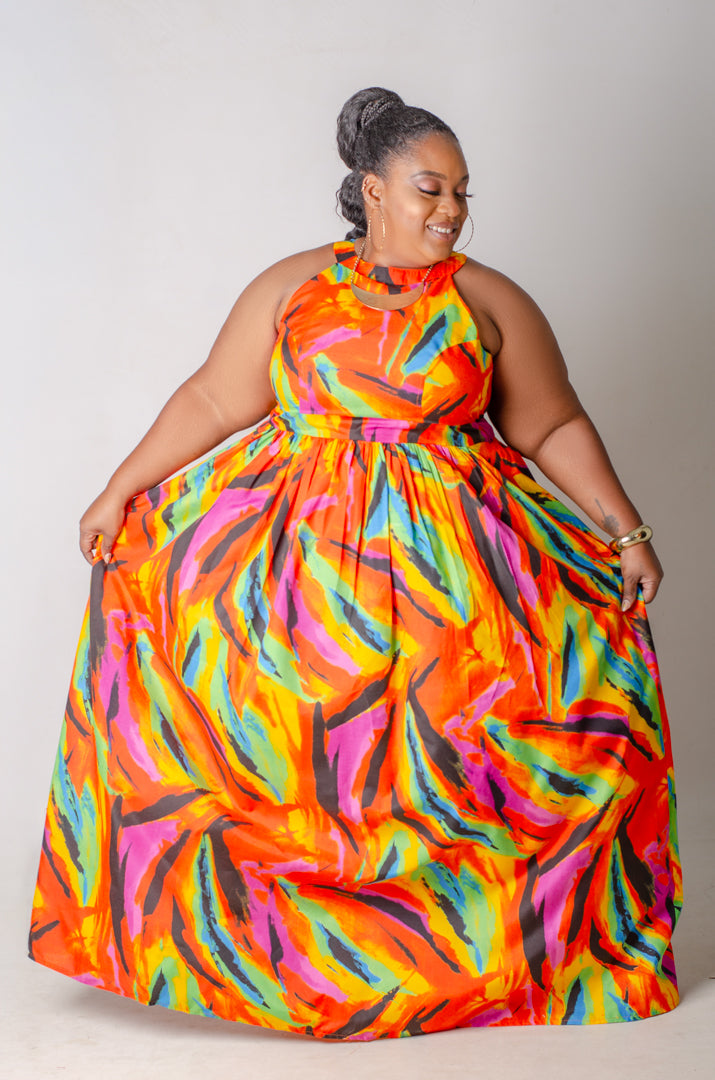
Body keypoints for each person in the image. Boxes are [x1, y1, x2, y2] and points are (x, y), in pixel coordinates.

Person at [28, 87, 681, 1041]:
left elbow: (549, 424)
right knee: (295, 761)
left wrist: (625, 532)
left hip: (457, 584)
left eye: (461, 191)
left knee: (463, 763)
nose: (450, 209)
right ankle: (293, 967)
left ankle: (462, 967)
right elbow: (214, 400)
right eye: (429, 188)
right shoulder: (292, 287)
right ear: (372, 189)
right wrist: (119, 489)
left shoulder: (488, 300)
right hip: (300, 577)